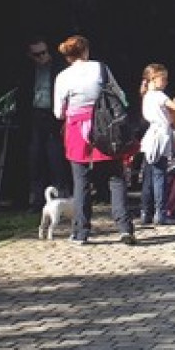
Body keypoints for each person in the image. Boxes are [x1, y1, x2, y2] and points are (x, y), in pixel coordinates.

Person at [52, 35, 135, 244]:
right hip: (105, 128)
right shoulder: (101, 68)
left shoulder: (63, 77)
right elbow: (120, 96)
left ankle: (81, 233)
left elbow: (58, 113)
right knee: (116, 178)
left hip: (77, 131)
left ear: (68, 56)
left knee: (81, 182)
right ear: (86, 51)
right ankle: (125, 228)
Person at [20, 37, 67, 207]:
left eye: (43, 53)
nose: (41, 57)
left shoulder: (58, 69)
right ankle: (36, 199)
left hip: (53, 114)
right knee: (35, 157)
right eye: (36, 54)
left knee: (56, 156)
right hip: (35, 114)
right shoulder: (28, 71)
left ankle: (60, 196)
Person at [138, 64, 174, 226]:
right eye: (163, 78)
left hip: (151, 137)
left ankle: (145, 212)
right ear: (153, 79)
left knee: (148, 176)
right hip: (160, 136)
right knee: (159, 175)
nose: (166, 82)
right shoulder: (159, 95)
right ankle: (161, 212)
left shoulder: (146, 96)